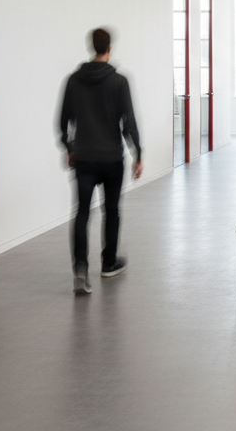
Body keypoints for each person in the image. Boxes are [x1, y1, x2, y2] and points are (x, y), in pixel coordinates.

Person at [59, 28, 142, 295]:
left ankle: (80, 270)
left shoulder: (73, 80)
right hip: (111, 158)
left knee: (82, 213)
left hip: (84, 157)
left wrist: (69, 147)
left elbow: (63, 120)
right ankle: (108, 263)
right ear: (109, 48)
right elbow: (129, 122)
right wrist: (137, 154)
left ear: (92, 47)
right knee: (112, 210)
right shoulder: (119, 81)